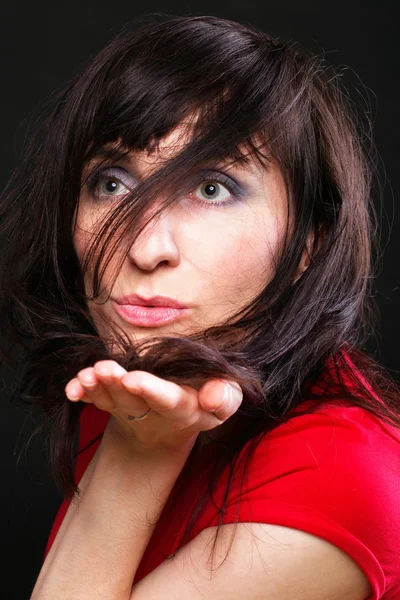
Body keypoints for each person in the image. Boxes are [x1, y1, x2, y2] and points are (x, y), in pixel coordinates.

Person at [1, 12, 399, 600]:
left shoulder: (340, 476)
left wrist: (138, 456)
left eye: (212, 188)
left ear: (308, 240)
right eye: (113, 182)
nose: (144, 247)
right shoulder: (148, 387)